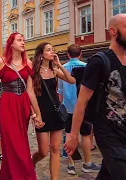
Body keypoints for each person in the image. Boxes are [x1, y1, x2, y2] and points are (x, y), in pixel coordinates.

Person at [65, 14, 126, 180]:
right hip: (108, 132)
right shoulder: (100, 61)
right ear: (113, 31)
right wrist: (72, 135)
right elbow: (82, 101)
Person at [0, 33, 44, 180]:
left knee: (22, 142)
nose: (23, 42)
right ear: (11, 44)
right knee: (12, 144)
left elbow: (30, 91)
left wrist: (38, 113)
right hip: (7, 104)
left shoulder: (28, 63)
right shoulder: (1, 62)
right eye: (19, 40)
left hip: (22, 105)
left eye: (23, 39)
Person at [31, 42, 75, 180]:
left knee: (55, 149)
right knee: (44, 151)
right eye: (48, 50)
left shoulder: (54, 71)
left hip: (56, 112)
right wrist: (34, 114)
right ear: (41, 53)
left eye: (52, 49)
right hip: (42, 113)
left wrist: (59, 64)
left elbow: (72, 80)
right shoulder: (34, 73)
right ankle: (31, 162)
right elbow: (30, 94)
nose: (52, 52)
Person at [58, 44, 100, 175]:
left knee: (69, 134)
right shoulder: (87, 67)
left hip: (68, 107)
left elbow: (60, 91)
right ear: (81, 53)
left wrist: (62, 106)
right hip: (83, 108)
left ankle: (71, 165)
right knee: (86, 135)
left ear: (68, 55)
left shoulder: (62, 69)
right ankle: (87, 163)